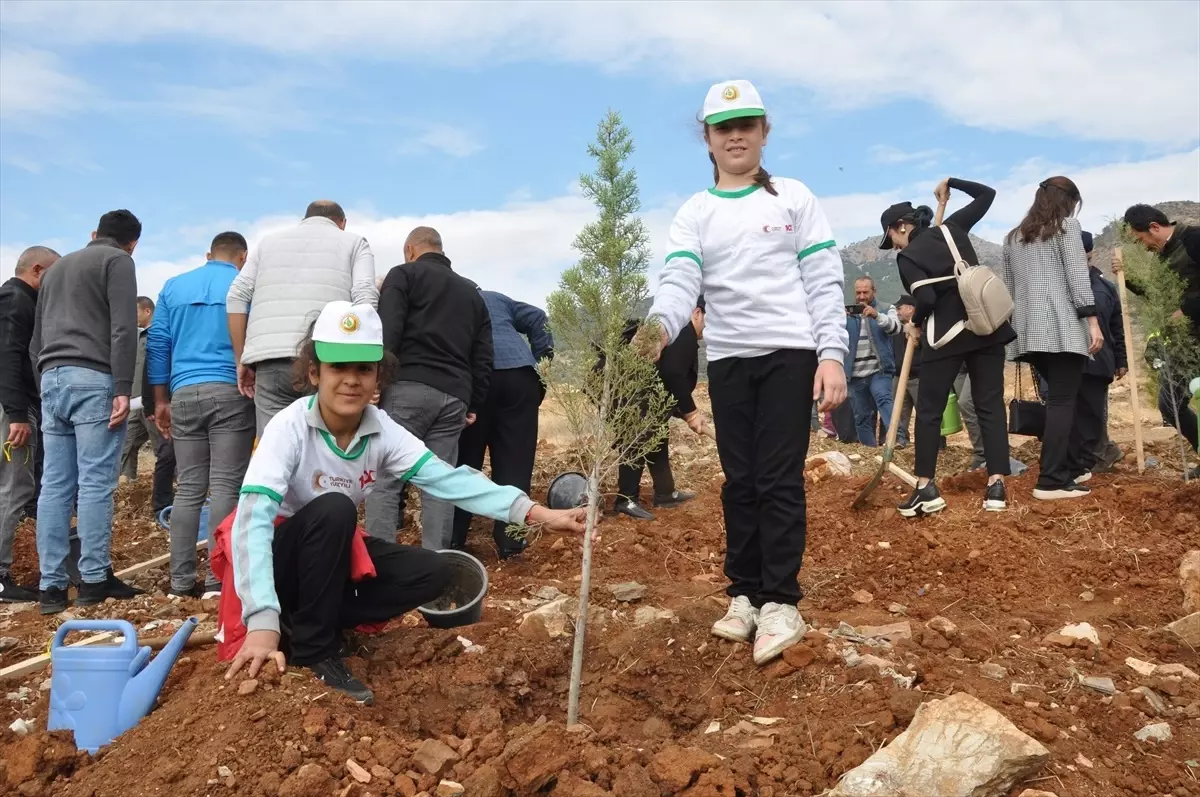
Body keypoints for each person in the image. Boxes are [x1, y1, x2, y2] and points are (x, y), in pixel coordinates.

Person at [218, 301, 589, 703]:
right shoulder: (288, 427)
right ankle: (315, 650)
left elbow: (449, 480)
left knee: (432, 571)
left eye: (363, 368)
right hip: (278, 559)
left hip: (327, 555)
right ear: (314, 373)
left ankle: (312, 622)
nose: (351, 380)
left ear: (379, 374)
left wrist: (536, 513)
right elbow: (253, 520)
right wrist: (261, 621)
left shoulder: (381, 430)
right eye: (338, 367)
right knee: (334, 508)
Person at [639, 80, 848, 666]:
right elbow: (680, 281)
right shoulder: (696, 212)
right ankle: (744, 594)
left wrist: (832, 354)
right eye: (723, 127)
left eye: (747, 125)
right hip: (729, 360)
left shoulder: (795, 199)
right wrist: (656, 329)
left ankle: (781, 600)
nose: (736, 135)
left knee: (779, 479)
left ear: (764, 132)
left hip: (789, 353)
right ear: (707, 138)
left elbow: (823, 281)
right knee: (740, 480)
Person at [31, 210, 144, 614]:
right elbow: (123, 328)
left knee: (54, 486)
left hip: (51, 378)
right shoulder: (118, 261)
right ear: (132, 243)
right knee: (96, 483)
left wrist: (42, 379)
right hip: (93, 377)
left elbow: (36, 337)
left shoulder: (57, 268)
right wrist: (123, 388)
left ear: (95, 232)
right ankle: (94, 578)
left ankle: (51, 588)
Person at [880, 178, 1015, 517]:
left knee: (929, 411)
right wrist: (952, 183)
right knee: (989, 406)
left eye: (893, 238)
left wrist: (915, 322)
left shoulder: (909, 257)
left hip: (947, 337)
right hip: (988, 329)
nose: (895, 247)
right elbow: (988, 194)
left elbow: (924, 298)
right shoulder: (954, 227)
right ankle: (996, 484)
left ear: (902, 227)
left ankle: (926, 487)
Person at [367, 227, 493, 549]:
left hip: (406, 388)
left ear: (410, 249)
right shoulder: (472, 294)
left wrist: (376, 380)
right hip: (454, 397)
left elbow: (388, 331)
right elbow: (482, 355)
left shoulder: (403, 275)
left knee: (386, 480)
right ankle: (435, 572)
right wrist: (473, 403)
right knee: (440, 483)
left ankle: (381, 566)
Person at [147, 231, 256, 599]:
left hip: (182, 392)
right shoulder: (244, 283)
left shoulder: (174, 286)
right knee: (226, 484)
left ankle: (179, 582)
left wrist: (160, 399)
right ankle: (216, 581)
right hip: (230, 390)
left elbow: (158, 342)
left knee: (189, 487)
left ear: (209, 254)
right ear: (242, 257)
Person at [226, 200, 377, 436]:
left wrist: (242, 358)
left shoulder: (268, 243)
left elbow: (236, 295)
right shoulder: (355, 243)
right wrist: (365, 365)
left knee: (274, 450)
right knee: (325, 449)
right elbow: (365, 297)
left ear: (303, 219)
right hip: (327, 359)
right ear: (342, 223)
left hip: (270, 359)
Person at [1000, 176, 1104, 500]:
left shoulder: (1012, 237)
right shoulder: (1066, 228)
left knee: (1059, 400)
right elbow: (1077, 276)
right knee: (1062, 401)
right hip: (1061, 328)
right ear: (1068, 201)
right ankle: (1052, 480)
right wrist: (1093, 321)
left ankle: (1069, 468)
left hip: (1028, 331)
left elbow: (1009, 287)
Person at [451, 290, 553, 558]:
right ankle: (511, 542)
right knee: (515, 462)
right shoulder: (498, 299)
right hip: (520, 376)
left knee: (463, 462)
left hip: (475, 380)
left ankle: (453, 537)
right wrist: (543, 366)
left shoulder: (448, 297)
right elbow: (539, 318)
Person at [0, 246, 60, 602]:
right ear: (37, 270)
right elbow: (8, 356)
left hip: (11, 406)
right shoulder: (16, 300)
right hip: (12, 410)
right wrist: (18, 413)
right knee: (14, 489)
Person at [1121, 204, 1200, 468]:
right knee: (1171, 404)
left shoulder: (1193, 239)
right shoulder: (1163, 258)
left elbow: (1183, 303)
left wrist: (1186, 309)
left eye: (1140, 239)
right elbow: (1159, 296)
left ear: (1154, 227)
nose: (1142, 246)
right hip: (1184, 343)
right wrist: (1126, 277)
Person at [615, 300, 706, 521]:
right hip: (636, 396)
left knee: (657, 439)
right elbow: (673, 373)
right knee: (635, 442)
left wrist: (682, 410)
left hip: (649, 398)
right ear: (697, 313)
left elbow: (669, 376)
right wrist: (691, 412)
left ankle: (665, 493)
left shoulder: (684, 334)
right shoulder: (683, 331)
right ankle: (625, 499)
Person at [1075, 231, 1128, 474]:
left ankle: (1100, 456)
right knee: (1071, 413)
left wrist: (1121, 360)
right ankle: (1082, 458)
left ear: (1090, 253)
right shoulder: (1060, 285)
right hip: (1068, 358)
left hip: (1099, 360)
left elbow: (1117, 326)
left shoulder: (1105, 287)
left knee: (1095, 413)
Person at [119, 296, 176, 515]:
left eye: (135, 312)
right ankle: (129, 483)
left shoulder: (161, 336)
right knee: (128, 440)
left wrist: (156, 402)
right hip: (135, 401)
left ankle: (173, 489)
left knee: (164, 448)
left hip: (153, 402)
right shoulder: (137, 337)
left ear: (148, 311)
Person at [844, 277, 901, 447]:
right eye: (858, 292)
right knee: (861, 416)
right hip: (854, 373)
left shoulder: (885, 308)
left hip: (879, 369)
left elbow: (895, 328)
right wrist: (840, 320)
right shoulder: (847, 313)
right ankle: (869, 450)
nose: (861, 296)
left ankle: (896, 439)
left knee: (883, 398)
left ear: (873, 291)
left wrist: (876, 315)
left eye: (865, 292)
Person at [892, 296, 920, 448]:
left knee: (923, 411)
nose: (897, 312)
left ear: (910, 308)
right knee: (900, 411)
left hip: (918, 376)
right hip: (899, 375)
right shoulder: (897, 329)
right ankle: (901, 441)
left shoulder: (921, 327)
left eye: (899, 308)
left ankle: (934, 443)